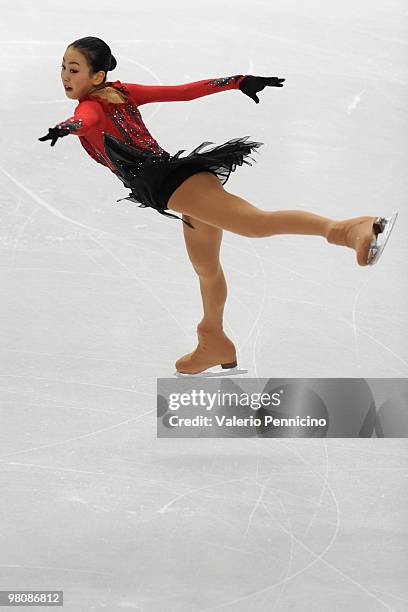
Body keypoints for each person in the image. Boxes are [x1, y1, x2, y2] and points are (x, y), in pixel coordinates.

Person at [39, 36, 398, 375]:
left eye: (74, 69)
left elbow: (85, 119)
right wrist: (236, 81)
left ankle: (348, 229)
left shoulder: (93, 106)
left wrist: (64, 127)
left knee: (255, 224)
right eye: (63, 67)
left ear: (98, 75)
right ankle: (213, 340)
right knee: (206, 267)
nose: (65, 76)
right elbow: (182, 92)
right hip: (175, 183)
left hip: (173, 184)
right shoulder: (121, 92)